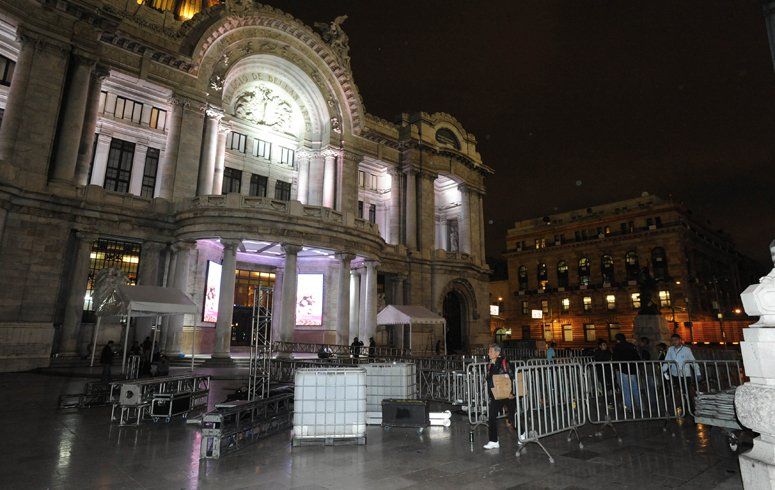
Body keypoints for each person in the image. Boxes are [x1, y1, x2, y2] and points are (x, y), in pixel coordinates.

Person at [483, 343, 517, 450]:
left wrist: (511, 392)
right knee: (492, 416)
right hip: (496, 394)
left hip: (506, 393)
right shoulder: (490, 364)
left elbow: (511, 376)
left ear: (497, 353)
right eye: (489, 351)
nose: (488, 353)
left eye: (491, 351)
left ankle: (523, 433)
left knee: (512, 416)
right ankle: (493, 441)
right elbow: (490, 377)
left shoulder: (504, 362)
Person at [661, 334, 699, 413]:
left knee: (687, 392)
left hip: (685, 374)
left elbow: (693, 361)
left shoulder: (686, 350)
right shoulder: (670, 349)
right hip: (675, 374)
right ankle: (683, 407)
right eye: (672, 340)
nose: (674, 342)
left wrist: (697, 372)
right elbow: (667, 361)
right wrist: (663, 369)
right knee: (679, 392)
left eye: (676, 340)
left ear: (680, 340)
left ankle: (691, 409)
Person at [612, 333, 641, 411]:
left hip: (622, 370)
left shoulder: (618, 347)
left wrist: (616, 367)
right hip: (632, 370)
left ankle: (629, 406)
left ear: (617, 339)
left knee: (625, 389)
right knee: (635, 388)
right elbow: (637, 357)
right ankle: (640, 405)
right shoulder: (631, 346)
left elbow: (615, 358)